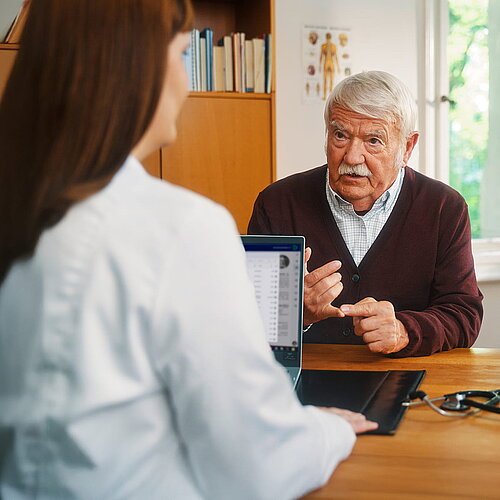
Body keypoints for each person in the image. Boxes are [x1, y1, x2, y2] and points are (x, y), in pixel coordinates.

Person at [0, 1, 377, 499]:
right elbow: (258, 465)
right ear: (135, 71)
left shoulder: (19, 209)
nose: (185, 81)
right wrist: (323, 431)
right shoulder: (181, 229)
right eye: (180, 55)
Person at [248, 71, 483, 357]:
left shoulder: (444, 208)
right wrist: (298, 315)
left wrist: (405, 330)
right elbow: (245, 317)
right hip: (304, 379)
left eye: (374, 140)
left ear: (407, 147)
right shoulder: (277, 204)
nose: (352, 157)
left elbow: (464, 314)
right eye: (340, 135)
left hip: (407, 379)